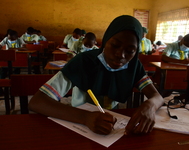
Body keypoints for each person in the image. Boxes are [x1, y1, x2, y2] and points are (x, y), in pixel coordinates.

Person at [28, 15, 164, 135]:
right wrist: (86, 118)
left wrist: (150, 106)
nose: (121, 55)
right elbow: (37, 102)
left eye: (130, 51)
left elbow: (157, 97)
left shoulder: (133, 66)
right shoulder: (83, 61)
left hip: (112, 122)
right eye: (115, 45)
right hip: (78, 120)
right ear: (105, 41)